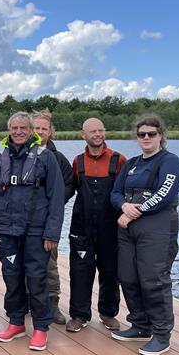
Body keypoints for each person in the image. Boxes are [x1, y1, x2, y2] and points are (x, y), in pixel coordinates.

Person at [0, 112, 64, 351]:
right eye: (14, 128)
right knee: (12, 278)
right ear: (9, 130)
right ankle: (16, 322)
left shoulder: (46, 159)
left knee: (37, 279)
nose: (18, 131)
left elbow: (56, 199)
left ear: (31, 130)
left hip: (36, 232)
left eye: (23, 128)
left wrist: (52, 234)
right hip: (7, 232)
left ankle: (40, 327)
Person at [110, 114, 179, 355]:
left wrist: (135, 211)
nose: (146, 138)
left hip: (157, 229)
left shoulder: (170, 162)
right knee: (128, 277)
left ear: (160, 136)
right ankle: (141, 325)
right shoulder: (131, 163)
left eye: (151, 134)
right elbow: (115, 192)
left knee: (153, 280)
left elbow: (164, 192)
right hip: (129, 229)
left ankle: (162, 334)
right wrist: (123, 206)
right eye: (141, 134)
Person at [66, 118, 126, 333]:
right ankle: (79, 315)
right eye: (93, 131)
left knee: (110, 271)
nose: (98, 134)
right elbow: (69, 190)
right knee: (80, 271)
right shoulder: (77, 161)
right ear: (84, 135)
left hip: (110, 227)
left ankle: (108, 313)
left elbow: (125, 193)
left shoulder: (118, 160)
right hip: (81, 227)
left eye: (101, 130)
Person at [32, 110, 74, 325]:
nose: (40, 132)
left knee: (49, 263)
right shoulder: (18, 153)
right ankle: (29, 302)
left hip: (48, 219)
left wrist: (54, 202)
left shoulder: (57, 158)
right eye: (36, 128)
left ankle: (52, 303)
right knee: (25, 263)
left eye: (44, 129)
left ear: (50, 132)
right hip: (24, 220)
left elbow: (69, 185)